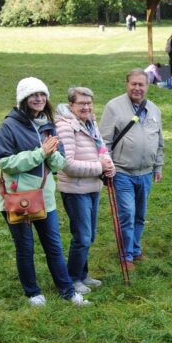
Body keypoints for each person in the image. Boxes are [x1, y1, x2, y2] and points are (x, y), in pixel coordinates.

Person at [0, 78, 90, 308]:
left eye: (42, 94)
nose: (39, 99)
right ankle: (33, 292)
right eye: (33, 95)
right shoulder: (9, 126)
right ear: (23, 99)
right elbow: (5, 161)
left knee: (54, 246)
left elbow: (58, 164)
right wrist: (40, 153)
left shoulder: (48, 124)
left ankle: (67, 291)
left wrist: (51, 153)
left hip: (44, 198)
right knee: (25, 247)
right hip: (19, 199)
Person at [99, 70, 165, 268]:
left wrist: (158, 166)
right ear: (127, 84)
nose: (137, 88)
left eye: (141, 84)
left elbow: (159, 141)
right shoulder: (114, 107)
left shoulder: (154, 109)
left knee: (140, 215)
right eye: (133, 84)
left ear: (147, 86)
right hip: (122, 172)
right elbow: (104, 141)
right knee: (127, 214)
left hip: (145, 172)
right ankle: (125, 256)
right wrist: (107, 166)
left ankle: (135, 249)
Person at [55, 87, 115, 295]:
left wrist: (109, 164)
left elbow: (101, 149)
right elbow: (67, 164)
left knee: (90, 235)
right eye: (81, 104)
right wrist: (100, 168)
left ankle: (82, 274)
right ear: (71, 105)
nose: (87, 107)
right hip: (75, 189)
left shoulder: (90, 122)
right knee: (82, 236)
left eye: (89, 103)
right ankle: (72, 278)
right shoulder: (65, 126)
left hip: (92, 186)